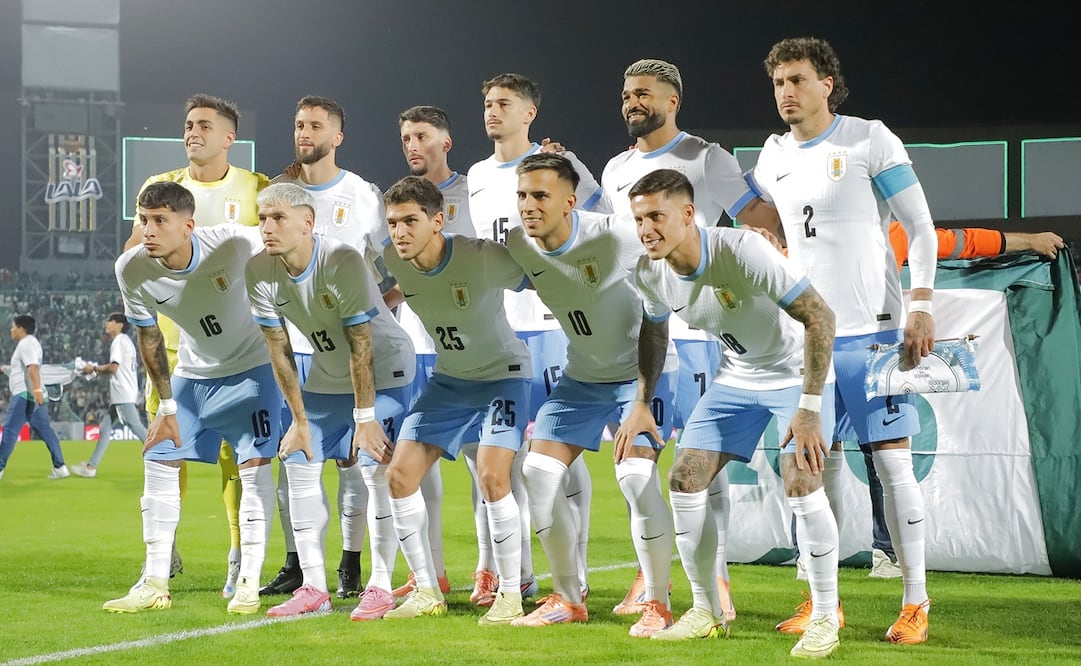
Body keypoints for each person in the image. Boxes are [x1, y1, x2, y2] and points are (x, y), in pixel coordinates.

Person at [751, 36, 937, 645]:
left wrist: (922, 304)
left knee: (893, 468)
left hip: (875, 335)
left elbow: (921, 228)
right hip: (807, 342)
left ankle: (915, 603)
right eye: (779, 83)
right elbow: (747, 217)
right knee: (810, 470)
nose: (787, 93)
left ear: (827, 83)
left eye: (798, 80)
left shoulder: (868, 138)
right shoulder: (772, 156)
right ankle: (821, 601)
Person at [616, 169, 840, 658]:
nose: (646, 228)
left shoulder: (742, 251)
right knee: (684, 480)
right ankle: (705, 611)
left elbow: (820, 316)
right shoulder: (649, 271)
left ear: (689, 215)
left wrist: (808, 408)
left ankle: (825, 617)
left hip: (793, 377)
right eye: (638, 219)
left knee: (801, 483)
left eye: (656, 216)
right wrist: (640, 402)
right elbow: (654, 334)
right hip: (735, 379)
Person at [601, 58, 783, 619]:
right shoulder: (613, 170)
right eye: (628, 94)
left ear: (673, 100)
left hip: (703, 329)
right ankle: (650, 577)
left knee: (702, 461)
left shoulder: (706, 158)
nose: (634, 102)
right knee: (635, 464)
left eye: (645, 94)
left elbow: (762, 220)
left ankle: (717, 578)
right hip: (641, 327)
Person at [790, 224, 1067, 579]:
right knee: (816, 455)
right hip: (817, 352)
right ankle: (812, 555)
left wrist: (1028, 242)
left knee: (884, 457)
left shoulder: (892, 230)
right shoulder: (805, 231)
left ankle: (887, 554)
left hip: (873, 351)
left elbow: (962, 243)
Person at [505, 154, 677, 634]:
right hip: (582, 377)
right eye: (522, 195)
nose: (528, 206)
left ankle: (658, 604)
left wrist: (642, 400)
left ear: (569, 201)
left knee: (637, 480)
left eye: (540, 196)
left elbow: (658, 317)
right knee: (537, 474)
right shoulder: (520, 245)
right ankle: (566, 598)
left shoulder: (616, 237)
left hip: (642, 375)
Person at [104, 181, 281, 614]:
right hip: (193, 371)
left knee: (253, 469)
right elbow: (147, 336)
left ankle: (248, 581)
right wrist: (165, 407)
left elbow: (292, 245)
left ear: (188, 226)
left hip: (253, 369)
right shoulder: (132, 268)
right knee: (158, 454)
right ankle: (155, 581)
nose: (148, 230)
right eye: (144, 220)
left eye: (160, 221)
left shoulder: (235, 242)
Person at [245, 183, 415, 618]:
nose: (267, 227)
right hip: (327, 371)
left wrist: (365, 418)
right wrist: (299, 420)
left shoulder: (341, 259)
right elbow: (277, 348)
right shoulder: (258, 270)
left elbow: (362, 343)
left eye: (278, 218)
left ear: (308, 222)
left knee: (376, 467)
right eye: (263, 218)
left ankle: (379, 584)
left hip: (386, 367)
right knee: (298, 461)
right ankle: (314, 587)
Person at [125, 93, 270, 597]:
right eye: (188, 124)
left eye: (205, 125)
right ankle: (164, 557)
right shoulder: (161, 187)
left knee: (238, 456)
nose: (193, 132)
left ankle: (238, 554)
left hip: (234, 345)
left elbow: (274, 245)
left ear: (230, 137)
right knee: (164, 445)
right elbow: (135, 248)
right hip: (169, 346)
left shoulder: (255, 187)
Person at [467, 72, 605, 600]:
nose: (491, 111)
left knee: (557, 455)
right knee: (500, 457)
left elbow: (602, 222)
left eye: (504, 103)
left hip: (552, 328)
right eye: (486, 102)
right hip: (498, 334)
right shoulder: (477, 176)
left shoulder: (556, 168)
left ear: (530, 113)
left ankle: (579, 574)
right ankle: (514, 574)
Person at [377, 175, 532, 625]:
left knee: (491, 477)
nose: (399, 232)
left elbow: (540, 278)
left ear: (438, 220)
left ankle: (510, 595)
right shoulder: (394, 258)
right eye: (393, 222)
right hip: (450, 380)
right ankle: (427, 590)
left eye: (410, 221)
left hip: (504, 376)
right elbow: (407, 287)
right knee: (400, 476)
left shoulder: (480, 257)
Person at [261, 95, 392, 601]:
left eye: (316, 125)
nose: (304, 133)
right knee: (293, 454)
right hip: (298, 344)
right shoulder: (281, 196)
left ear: (338, 136)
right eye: (298, 124)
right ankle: (297, 566)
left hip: (353, 348)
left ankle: (350, 564)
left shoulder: (361, 195)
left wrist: (375, 308)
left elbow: (391, 264)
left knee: (354, 462)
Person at [397, 104, 483, 603]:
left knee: (483, 462)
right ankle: (431, 572)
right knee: (418, 461)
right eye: (406, 137)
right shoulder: (401, 202)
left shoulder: (476, 191)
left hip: (469, 344)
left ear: (445, 142)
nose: (412, 145)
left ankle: (490, 570)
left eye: (421, 136)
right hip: (417, 345)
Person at [71, 313, 147, 477]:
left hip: (124, 393)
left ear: (119, 325)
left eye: (110, 321)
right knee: (105, 428)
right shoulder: (126, 341)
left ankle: (164, 458)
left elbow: (113, 368)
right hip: (124, 392)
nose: (106, 323)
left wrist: (94, 369)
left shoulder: (119, 341)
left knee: (137, 428)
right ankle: (91, 467)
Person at [0, 314, 69, 481]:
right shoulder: (31, 343)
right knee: (44, 430)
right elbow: (25, 368)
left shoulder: (27, 343)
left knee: (10, 430)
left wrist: (37, 390)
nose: (11, 329)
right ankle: (60, 467)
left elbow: (33, 368)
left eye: (13, 326)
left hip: (25, 394)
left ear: (22, 329)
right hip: (31, 394)